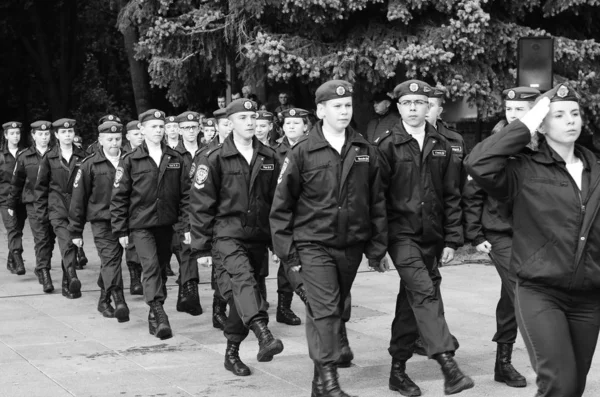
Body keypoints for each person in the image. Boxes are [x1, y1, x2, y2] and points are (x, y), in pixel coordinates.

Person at [465, 84, 600, 397]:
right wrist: (527, 121)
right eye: (559, 115)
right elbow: (478, 162)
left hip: (588, 296)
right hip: (540, 291)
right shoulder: (522, 170)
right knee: (561, 384)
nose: (570, 121)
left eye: (575, 113)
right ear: (542, 123)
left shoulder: (596, 170)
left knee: (573, 387)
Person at [270, 80, 387, 397]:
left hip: (352, 247)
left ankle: (317, 387)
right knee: (323, 310)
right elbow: (281, 208)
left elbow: (375, 202)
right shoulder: (302, 152)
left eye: (348, 105)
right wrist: (289, 256)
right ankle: (331, 383)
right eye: (337, 106)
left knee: (333, 309)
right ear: (320, 111)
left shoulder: (365, 150)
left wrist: (376, 248)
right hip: (313, 244)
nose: (344, 111)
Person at [377, 80, 473, 396]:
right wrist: (377, 246)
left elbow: (451, 194)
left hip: (432, 236)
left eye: (421, 102)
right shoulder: (386, 144)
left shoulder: (442, 143)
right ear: (399, 107)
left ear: (428, 105)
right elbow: (375, 198)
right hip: (401, 235)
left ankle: (397, 371)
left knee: (411, 302)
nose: (415, 108)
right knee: (426, 292)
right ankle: (449, 366)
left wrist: (451, 240)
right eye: (408, 103)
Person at [190, 98, 284, 377]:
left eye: (253, 118)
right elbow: (200, 204)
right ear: (229, 124)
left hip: (257, 236)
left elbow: (276, 203)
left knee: (247, 293)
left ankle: (231, 353)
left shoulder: (269, 156)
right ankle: (263, 334)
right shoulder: (214, 157)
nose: (250, 123)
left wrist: (278, 241)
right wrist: (202, 248)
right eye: (243, 118)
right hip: (226, 235)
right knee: (243, 281)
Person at [462, 87, 540, 389]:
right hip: (499, 233)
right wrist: (475, 234)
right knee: (522, 288)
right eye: (509, 109)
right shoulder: (493, 146)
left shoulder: (543, 145)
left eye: (520, 110)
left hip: (533, 233)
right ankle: (542, 359)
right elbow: (472, 193)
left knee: (511, 296)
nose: (513, 115)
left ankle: (502, 363)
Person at [111, 109, 190, 340]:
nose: (158, 130)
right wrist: (120, 229)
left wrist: (185, 226)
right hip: (141, 225)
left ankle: (153, 315)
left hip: (167, 225)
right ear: (142, 130)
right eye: (153, 126)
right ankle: (158, 311)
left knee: (162, 268)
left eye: (160, 126)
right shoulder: (130, 160)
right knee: (151, 266)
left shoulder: (175, 158)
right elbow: (119, 197)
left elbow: (185, 195)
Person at [69, 121, 130, 322]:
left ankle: (103, 300)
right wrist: (76, 231)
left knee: (111, 262)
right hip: (102, 222)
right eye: (110, 139)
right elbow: (78, 199)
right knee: (111, 260)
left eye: (118, 139)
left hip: (127, 221)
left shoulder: (129, 161)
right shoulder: (89, 164)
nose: (114, 143)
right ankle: (119, 299)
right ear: (101, 140)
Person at [35, 118, 87, 299]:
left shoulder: (83, 156)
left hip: (76, 209)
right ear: (56, 135)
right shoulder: (49, 157)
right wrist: (42, 213)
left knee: (72, 242)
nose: (67, 135)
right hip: (56, 207)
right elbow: (41, 187)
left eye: (70, 132)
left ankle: (67, 283)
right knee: (67, 241)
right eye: (63, 132)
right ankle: (72, 274)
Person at [271, 107, 312, 327]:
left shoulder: (313, 148)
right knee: (288, 257)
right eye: (287, 124)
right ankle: (303, 295)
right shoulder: (275, 151)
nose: (291, 127)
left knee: (288, 259)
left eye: (296, 123)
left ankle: (283, 308)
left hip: (307, 213)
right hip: (283, 212)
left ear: (306, 126)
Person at [9, 120, 55, 292]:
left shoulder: (55, 154)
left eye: (46, 134)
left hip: (53, 202)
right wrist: (12, 203)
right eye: (40, 134)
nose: (44, 137)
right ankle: (44, 272)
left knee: (50, 239)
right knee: (41, 237)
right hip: (33, 202)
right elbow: (16, 182)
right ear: (33, 136)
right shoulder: (24, 156)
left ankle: (41, 266)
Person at [173, 111, 203, 316]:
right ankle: (191, 294)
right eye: (186, 128)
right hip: (183, 211)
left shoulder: (208, 151)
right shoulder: (174, 155)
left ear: (199, 128)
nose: (190, 131)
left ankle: (185, 295)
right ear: (179, 130)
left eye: (193, 127)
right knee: (187, 250)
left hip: (205, 209)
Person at [0, 122, 26, 276]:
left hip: (22, 199)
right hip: (5, 199)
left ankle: (11, 260)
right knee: (12, 228)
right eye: (12, 133)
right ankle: (18, 257)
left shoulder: (26, 153)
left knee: (19, 229)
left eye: (17, 133)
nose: (15, 136)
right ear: (5, 135)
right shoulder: (1, 156)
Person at [121, 120, 144, 296]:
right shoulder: (124, 156)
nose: (140, 137)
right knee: (131, 245)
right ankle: (135, 278)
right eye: (136, 134)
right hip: (127, 207)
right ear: (128, 136)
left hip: (144, 207)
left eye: (141, 133)